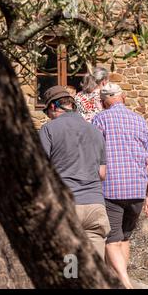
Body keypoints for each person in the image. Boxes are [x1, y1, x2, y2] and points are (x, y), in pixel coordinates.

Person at [92, 83, 148, 289]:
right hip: (137, 188)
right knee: (125, 237)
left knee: (112, 239)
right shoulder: (139, 120)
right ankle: (120, 280)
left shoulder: (100, 119)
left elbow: (93, 153)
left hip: (111, 188)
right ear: (124, 97)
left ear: (103, 102)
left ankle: (125, 283)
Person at [39, 85, 110, 259]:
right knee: (95, 269)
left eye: (47, 112)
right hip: (95, 207)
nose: (48, 117)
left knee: (69, 268)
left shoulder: (49, 130)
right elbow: (102, 174)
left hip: (67, 205)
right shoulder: (95, 132)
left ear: (54, 107)